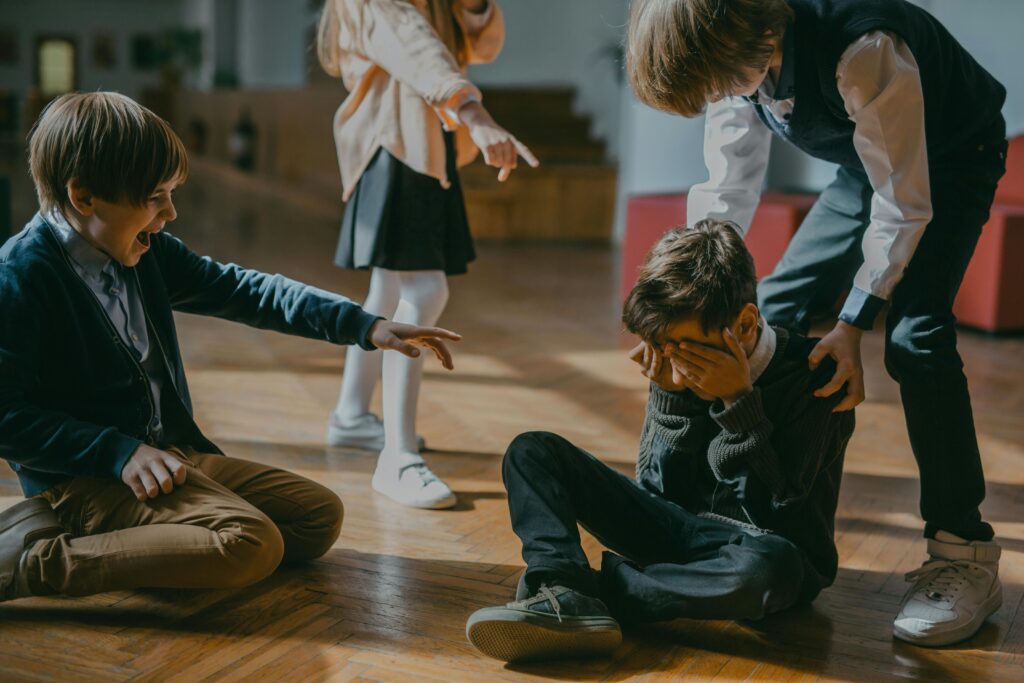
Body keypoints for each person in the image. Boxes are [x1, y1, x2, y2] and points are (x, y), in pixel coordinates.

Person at [626, 0, 1007, 646]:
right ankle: (752, 510)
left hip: (954, 152)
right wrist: (690, 286)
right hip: (872, 163)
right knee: (767, 312)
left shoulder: (862, 51)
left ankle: (963, 549)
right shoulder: (733, 64)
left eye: (720, 86)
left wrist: (854, 324)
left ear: (743, 40)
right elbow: (729, 181)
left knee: (916, 341)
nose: (721, 97)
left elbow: (905, 205)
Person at [0, 91, 460, 602]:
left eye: (172, 194)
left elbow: (245, 290)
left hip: (170, 459)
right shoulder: (21, 275)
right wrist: (118, 451)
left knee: (315, 518)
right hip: (81, 486)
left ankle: (160, 537)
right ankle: (33, 561)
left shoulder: (144, 250)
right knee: (252, 542)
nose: (170, 213)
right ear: (84, 197)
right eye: (155, 197)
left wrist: (363, 325)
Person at [466, 221, 854, 663]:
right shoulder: (673, 352)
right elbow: (657, 494)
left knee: (771, 566)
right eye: (661, 347)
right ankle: (560, 584)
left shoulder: (818, 379)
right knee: (531, 450)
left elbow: (773, 513)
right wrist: (672, 398)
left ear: (745, 323)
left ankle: (591, 593)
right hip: (678, 533)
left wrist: (738, 401)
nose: (677, 363)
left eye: (689, 351)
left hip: (762, 551)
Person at [317, 0, 538, 510]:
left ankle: (351, 416)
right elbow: (411, 42)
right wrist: (474, 114)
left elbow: (477, 46)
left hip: (425, 139)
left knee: (389, 288)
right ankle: (396, 457)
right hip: (398, 142)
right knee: (425, 289)